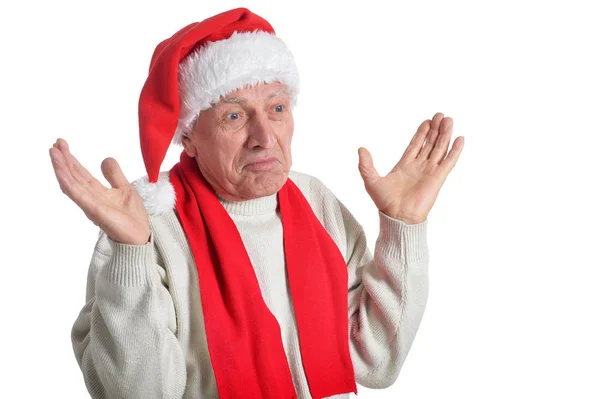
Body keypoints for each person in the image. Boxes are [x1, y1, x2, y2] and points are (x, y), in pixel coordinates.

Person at [49, 7, 464, 399]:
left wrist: (403, 227)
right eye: (235, 116)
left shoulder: (316, 202)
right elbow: (140, 392)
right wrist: (130, 254)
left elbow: (376, 363)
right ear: (189, 137)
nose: (264, 136)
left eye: (277, 108)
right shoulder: (145, 224)